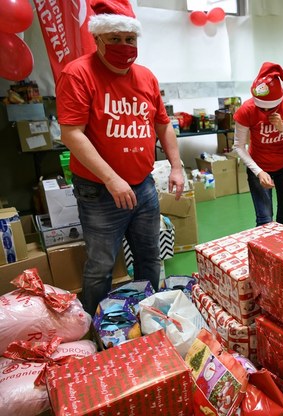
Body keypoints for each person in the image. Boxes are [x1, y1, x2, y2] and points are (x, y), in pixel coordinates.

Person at [55, 0, 184, 315]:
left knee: (149, 257)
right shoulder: (78, 74)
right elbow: (72, 133)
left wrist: (178, 167)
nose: (123, 46)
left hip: (143, 186)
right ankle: (92, 328)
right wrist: (112, 179)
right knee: (101, 265)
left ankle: (148, 315)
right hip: (99, 191)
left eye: (130, 39)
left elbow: (163, 126)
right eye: (114, 38)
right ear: (97, 39)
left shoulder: (146, 78)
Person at [233, 62, 283, 226]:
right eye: (261, 108)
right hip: (259, 165)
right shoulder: (247, 110)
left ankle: (280, 251)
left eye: (270, 108)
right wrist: (259, 172)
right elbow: (238, 146)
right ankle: (264, 252)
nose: (265, 113)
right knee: (264, 221)